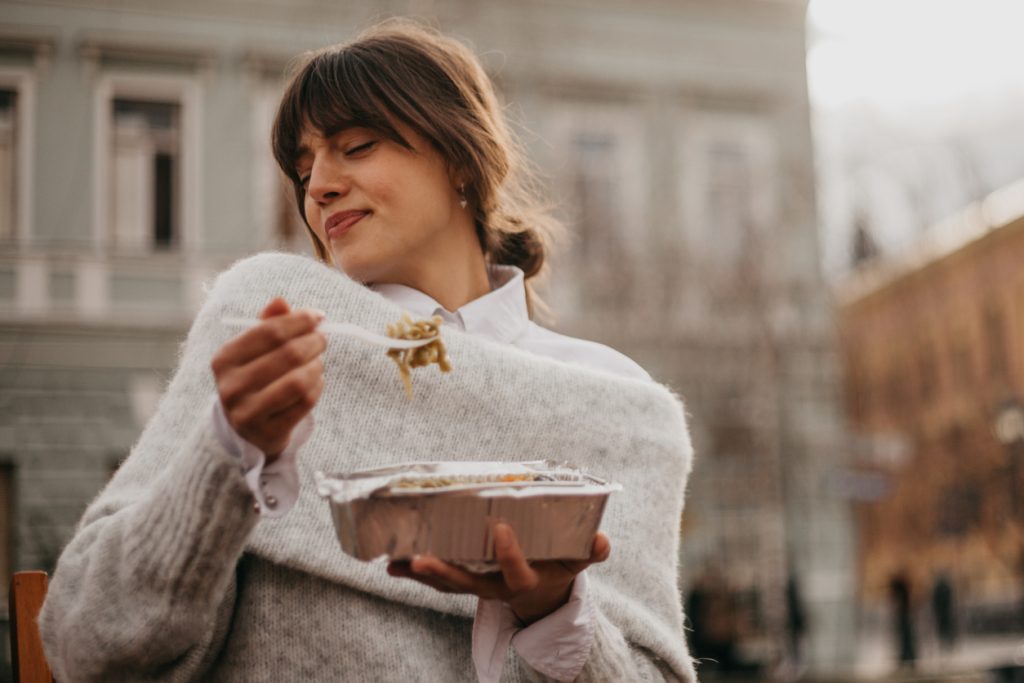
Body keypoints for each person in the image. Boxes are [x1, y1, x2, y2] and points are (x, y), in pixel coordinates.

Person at [39, 19, 696, 682]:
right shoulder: (270, 330)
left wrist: (550, 607)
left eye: (355, 145)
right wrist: (225, 454)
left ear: (462, 158)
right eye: (303, 169)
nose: (318, 185)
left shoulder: (615, 403)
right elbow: (85, 640)